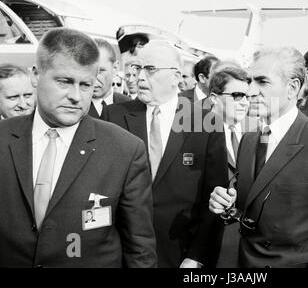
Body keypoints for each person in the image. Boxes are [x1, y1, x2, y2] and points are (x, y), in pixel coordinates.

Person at [0, 28, 157, 267]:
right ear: (35, 75)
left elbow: (140, 249)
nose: (76, 96)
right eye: (64, 81)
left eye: (86, 85)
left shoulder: (125, 151)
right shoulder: (3, 139)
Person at [209, 47, 308, 268]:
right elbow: (253, 206)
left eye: (262, 82)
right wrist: (226, 204)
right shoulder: (250, 139)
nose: (251, 91)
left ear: (292, 88)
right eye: (250, 81)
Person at [102, 41, 228, 268]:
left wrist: (197, 256)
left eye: (149, 70)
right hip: (123, 253)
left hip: (180, 254)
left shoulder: (204, 121)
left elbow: (214, 199)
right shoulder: (114, 117)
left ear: (175, 77)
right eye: (136, 68)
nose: (139, 77)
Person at [209, 65, 250, 267]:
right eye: (237, 95)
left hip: (247, 242)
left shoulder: (258, 133)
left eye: (247, 96)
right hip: (209, 238)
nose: (244, 102)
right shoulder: (194, 133)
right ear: (214, 98)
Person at [88, 39, 130, 118]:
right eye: (89, 71)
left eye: (100, 71)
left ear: (115, 68)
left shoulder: (130, 107)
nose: (93, 79)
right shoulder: (75, 106)